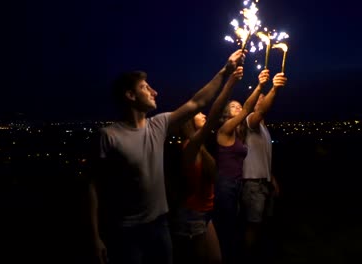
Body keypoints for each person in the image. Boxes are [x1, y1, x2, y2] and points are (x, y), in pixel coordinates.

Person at [88, 49, 246, 264]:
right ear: (130, 95)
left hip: (160, 224)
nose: (155, 92)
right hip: (126, 229)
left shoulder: (158, 125)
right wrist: (95, 236)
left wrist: (225, 71)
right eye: (145, 87)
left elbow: (196, 103)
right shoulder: (109, 136)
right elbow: (94, 187)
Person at [170, 66, 244, 264]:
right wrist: (230, 82)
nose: (203, 115)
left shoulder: (199, 146)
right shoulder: (190, 146)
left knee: (215, 258)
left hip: (203, 212)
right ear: (188, 122)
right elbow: (214, 117)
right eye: (198, 114)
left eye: (203, 113)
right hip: (191, 214)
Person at [213, 69, 269, 264]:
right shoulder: (225, 128)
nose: (238, 108)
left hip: (236, 184)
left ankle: (232, 255)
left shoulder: (239, 134)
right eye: (234, 107)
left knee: (234, 224)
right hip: (225, 184)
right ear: (226, 113)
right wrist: (260, 86)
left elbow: (255, 114)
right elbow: (248, 109)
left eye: (238, 106)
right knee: (226, 226)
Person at [241, 70, 287, 263]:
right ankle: (245, 258)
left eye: (264, 96)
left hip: (264, 182)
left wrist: (271, 178)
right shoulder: (250, 120)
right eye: (260, 96)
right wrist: (274, 88)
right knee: (252, 225)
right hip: (252, 184)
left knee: (262, 225)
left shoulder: (264, 129)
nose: (262, 97)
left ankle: (259, 255)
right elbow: (260, 111)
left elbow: (263, 158)